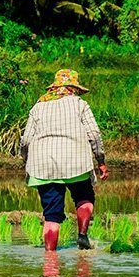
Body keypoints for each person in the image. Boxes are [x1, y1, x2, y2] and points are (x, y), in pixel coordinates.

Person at [20, 69, 108, 251]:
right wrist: (100, 161)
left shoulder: (38, 106)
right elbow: (94, 134)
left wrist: (26, 161)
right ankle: (82, 235)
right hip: (76, 162)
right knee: (84, 196)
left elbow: (26, 139)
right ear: (73, 88)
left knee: (51, 214)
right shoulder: (80, 105)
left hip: (43, 165)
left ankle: (50, 257)